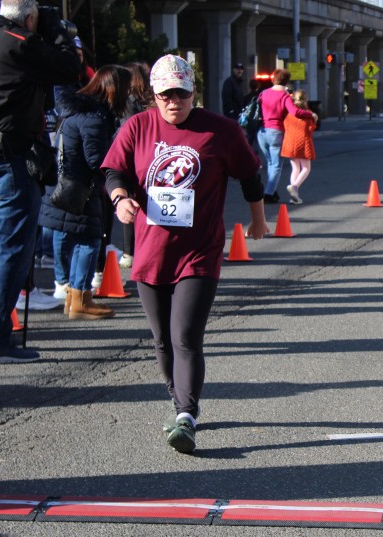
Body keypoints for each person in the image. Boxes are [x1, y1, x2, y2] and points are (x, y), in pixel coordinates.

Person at [101, 54, 269, 453]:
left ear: (194, 92)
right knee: (162, 340)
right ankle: (179, 402)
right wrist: (120, 199)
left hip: (199, 252)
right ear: (154, 95)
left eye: (181, 93)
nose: (174, 102)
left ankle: (186, 416)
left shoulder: (221, 130)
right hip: (151, 251)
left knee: (185, 337)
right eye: (165, 95)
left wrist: (258, 220)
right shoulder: (137, 127)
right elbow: (114, 172)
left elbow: (249, 175)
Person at [0, 0, 80, 364]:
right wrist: (57, 32)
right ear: (31, 18)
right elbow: (70, 68)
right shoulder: (20, 43)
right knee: (14, 250)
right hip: (7, 159)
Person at [40, 65, 131, 320]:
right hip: (82, 189)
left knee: (75, 238)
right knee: (89, 242)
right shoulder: (95, 117)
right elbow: (96, 159)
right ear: (114, 89)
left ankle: (73, 296)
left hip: (66, 185)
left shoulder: (78, 110)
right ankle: (80, 298)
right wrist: (117, 175)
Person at [257, 68, 316, 204]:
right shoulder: (284, 96)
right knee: (276, 165)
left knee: (270, 163)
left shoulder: (264, 93)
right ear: (287, 81)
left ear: (273, 79)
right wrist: (311, 114)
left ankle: (272, 189)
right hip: (275, 131)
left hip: (262, 132)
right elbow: (294, 112)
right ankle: (269, 194)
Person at [116, 61, 153, 269]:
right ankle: (140, 249)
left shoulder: (126, 100)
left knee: (130, 202)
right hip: (146, 154)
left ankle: (129, 252)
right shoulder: (147, 100)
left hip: (131, 154)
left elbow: (125, 127)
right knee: (144, 201)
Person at [280, 89, 318, 205]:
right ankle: (295, 187)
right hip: (303, 142)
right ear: (305, 99)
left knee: (295, 168)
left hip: (290, 142)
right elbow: (311, 128)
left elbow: (284, 125)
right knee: (306, 168)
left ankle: (294, 197)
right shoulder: (307, 113)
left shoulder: (289, 112)